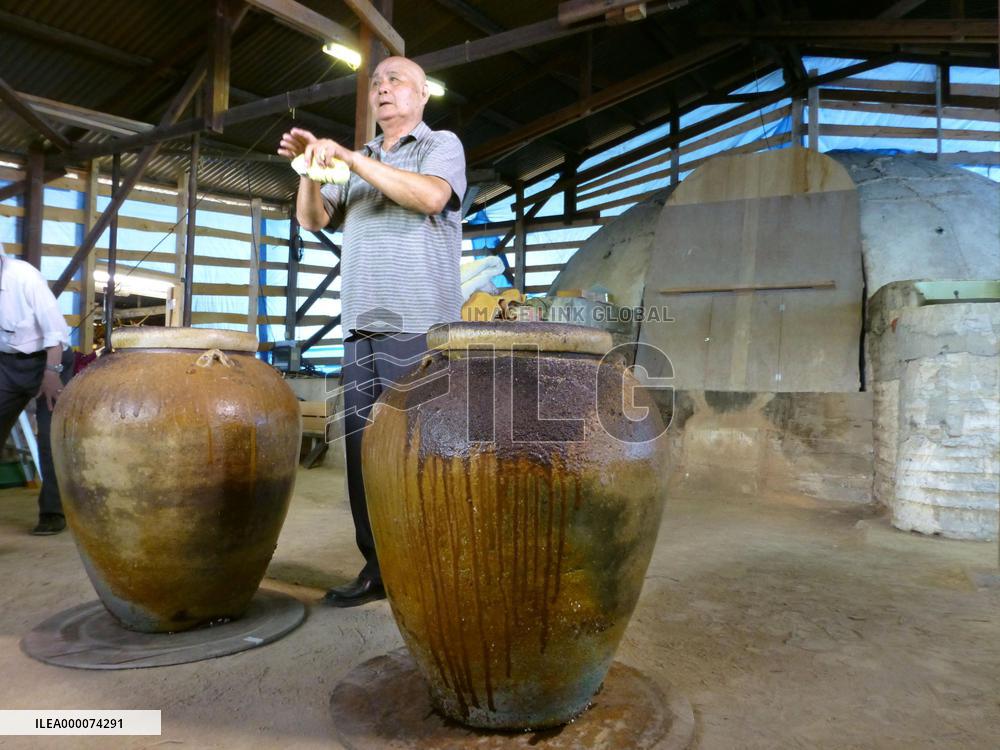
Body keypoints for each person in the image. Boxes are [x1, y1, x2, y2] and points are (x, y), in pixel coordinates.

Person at [278, 56, 466, 607]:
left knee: (422, 453)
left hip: (419, 328)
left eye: (396, 81)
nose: (383, 89)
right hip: (360, 327)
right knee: (363, 456)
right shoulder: (357, 160)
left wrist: (350, 162)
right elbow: (312, 219)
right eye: (376, 83)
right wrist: (311, 173)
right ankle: (378, 569)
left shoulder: (440, 146)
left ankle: (432, 568)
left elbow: (431, 197)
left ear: (423, 94)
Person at [0, 244, 71, 534]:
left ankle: (53, 512)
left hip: (50, 360)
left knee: (49, 437)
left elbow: (55, 331)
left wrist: (51, 374)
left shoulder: (24, 277)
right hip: (7, 363)